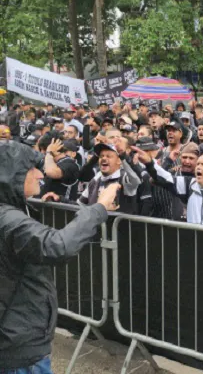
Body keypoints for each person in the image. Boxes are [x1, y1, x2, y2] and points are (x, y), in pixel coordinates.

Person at [0, 140, 119, 372]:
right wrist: (100, 208)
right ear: (11, 175)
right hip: (19, 347)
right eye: (31, 170)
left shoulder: (11, 214)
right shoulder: (10, 221)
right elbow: (58, 246)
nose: (39, 176)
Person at [40, 138, 81, 203]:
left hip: (62, 209)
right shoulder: (50, 161)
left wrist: (49, 153)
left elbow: (51, 172)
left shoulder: (71, 164)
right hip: (45, 207)